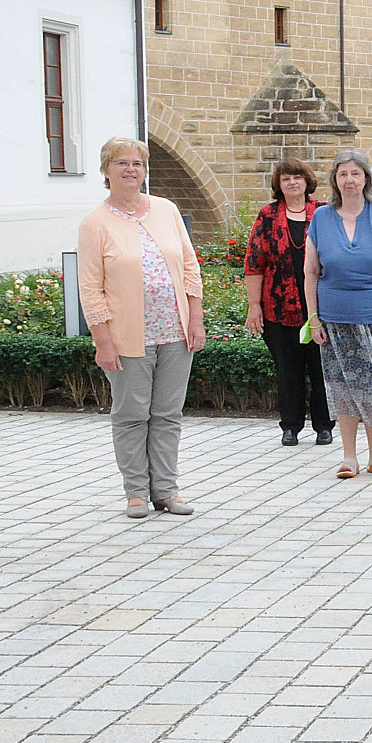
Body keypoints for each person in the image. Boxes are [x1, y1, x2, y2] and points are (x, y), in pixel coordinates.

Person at [78, 137, 207, 518]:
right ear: (106, 170)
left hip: (175, 332)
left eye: (137, 163)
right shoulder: (95, 224)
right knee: (132, 415)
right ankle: (136, 492)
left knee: (168, 415)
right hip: (128, 337)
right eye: (121, 163)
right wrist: (103, 341)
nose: (130, 169)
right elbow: (90, 288)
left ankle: (166, 490)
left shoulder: (166, 210)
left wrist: (195, 319)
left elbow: (189, 266)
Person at [304, 149, 372, 480]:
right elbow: (310, 272)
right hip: (335, 320)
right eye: (343, 174)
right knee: (342, 388)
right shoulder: (321, 218)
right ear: (335, 179)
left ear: (366, 178)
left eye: (355, 173)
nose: (349, 180)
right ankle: (349, 457)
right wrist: (314, 318)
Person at [243, 158, 334, 448]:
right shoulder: (267, 216)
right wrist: (253, 305)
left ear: (307, 181)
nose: (292, 183)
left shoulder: (323, 212)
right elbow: (254, 263)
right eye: (286, 179)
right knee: (287, 370)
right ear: (278, 185)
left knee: (321, 369)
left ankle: (324, 426)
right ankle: (291, 427)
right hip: (278, 308)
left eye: (297, 177)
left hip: (320, 305)